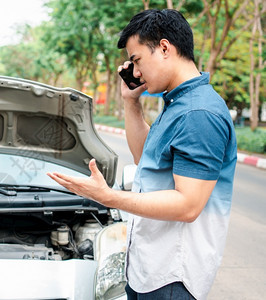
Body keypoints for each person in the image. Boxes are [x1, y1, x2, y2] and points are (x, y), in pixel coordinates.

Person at [47, 9, 237, 300]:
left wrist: (107, 196)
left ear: (164, 48)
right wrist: (130, 102)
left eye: (137, 60)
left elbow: (188, 205)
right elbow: (144, 159)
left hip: (172, 278)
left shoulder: (198, 113)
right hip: (147, 268)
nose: (135, 72)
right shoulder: (177, 103)